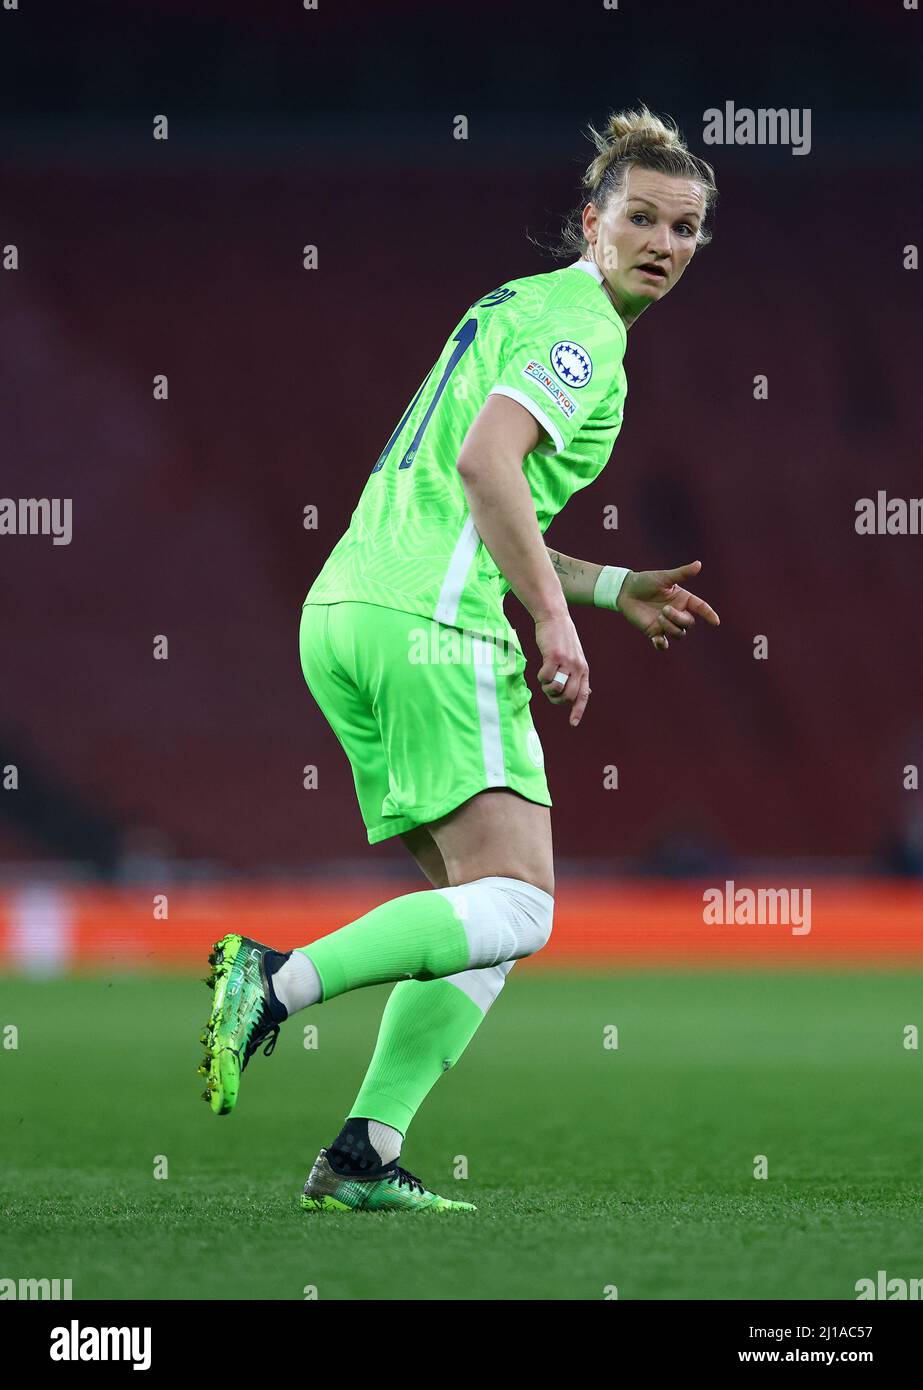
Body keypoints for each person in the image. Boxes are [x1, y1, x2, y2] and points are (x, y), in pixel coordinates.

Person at [199, 104, 721, 1212]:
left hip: (348, 610)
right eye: (641, 218)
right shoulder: (584, 331)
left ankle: (362, 1152)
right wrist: (552, 618)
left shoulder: (519, 306)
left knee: (475, 926)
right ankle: (269, 983)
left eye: (683, 229)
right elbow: (489, 470)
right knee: (520, 907)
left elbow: (481, 500)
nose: (663, 244)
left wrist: (609, 587)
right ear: (592, 222)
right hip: (432, 625)